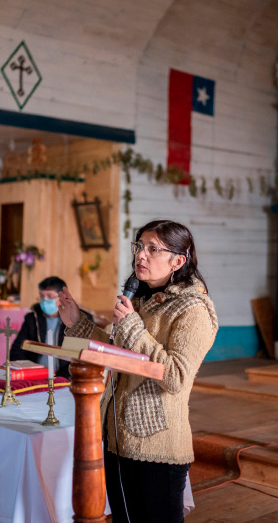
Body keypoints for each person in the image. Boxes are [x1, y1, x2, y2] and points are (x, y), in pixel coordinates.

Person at [57, 220, 217, 523]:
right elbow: (119, 352)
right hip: (117, 436)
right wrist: (77, 322)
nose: (140, 255)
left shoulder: (194, 310)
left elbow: (175, 376)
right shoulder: (143, 300)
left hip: (157, 444)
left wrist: (131, 325)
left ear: (178, 261)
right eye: (139, 246)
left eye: (153, 249)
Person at [7, 276, 88, 379]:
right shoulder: (32, 318)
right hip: (35, 376)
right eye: (41, 296)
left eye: (50, 296)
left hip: (66, 378)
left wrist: (60, 379)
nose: (45, 300)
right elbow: (16, 351)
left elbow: (81, 356)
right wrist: (27, 371)